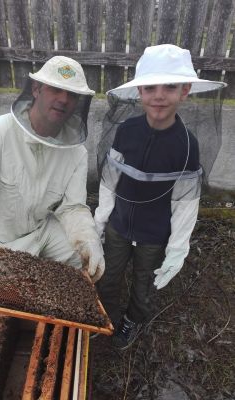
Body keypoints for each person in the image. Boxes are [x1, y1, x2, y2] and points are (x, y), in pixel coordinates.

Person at [94, 44, 227, 350]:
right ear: (139, 91)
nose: (159, 95)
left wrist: (178, 247)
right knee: (109, 276)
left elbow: (185, 201)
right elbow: (110, 179)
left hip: (154, 235)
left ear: (185, 91)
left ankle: (131, 321)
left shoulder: (187, 145)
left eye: (170, 86)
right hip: (118, 226)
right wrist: (100, 220)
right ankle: (105, 317)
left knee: (144, 285)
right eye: (151, 87)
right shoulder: (126, 130)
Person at [0, 56, 105, 283]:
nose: (64, 99)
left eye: (72, 94)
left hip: (40, 231)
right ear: (36, 89)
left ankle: (66, 309)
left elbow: (73, 207)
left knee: (81, 259)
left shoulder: (77, 153)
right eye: (56, 89)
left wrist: (88, 239)